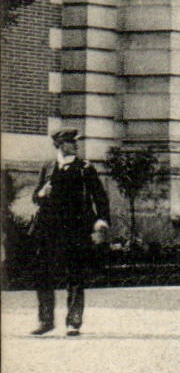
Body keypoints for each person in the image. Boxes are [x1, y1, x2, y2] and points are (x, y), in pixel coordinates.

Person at [30, 130, 110, 336]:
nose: (74, 145)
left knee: (75, 273)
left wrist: (101, 219)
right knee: (43, 273)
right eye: (69, 142)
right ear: (59, 144)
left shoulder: (85, 168)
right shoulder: (48, 167)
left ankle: (74, 321)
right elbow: (35, 196)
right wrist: (41, 193)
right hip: (49, 228)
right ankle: (46, 320)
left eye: (74, 142)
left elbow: (99, 196)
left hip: (76, 229)